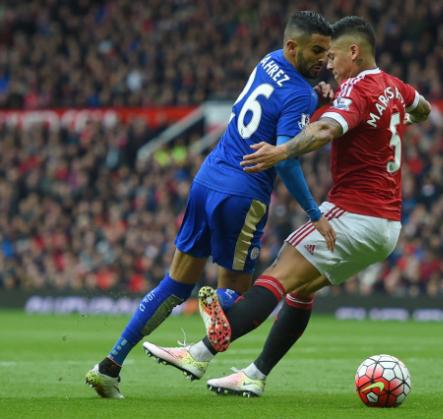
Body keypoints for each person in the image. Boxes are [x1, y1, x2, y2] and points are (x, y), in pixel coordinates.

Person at [143, 16, 431, 397]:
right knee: (300, 291)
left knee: (277, 275)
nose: (329, 64)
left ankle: (198, 353)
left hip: (355, 213)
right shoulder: (395, 86)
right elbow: (423, 108)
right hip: (387, 227)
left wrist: (282, 150)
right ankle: (255, 374)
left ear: (354, 52)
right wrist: (398, 119)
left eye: (335, 56)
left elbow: (325, 130)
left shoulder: (357, 90)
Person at [85, 11, 336, 399]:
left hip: (206, 178)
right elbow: (286, 157)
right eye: (317, 50)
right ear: (293, 46)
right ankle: (210, 315)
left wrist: (313, 100)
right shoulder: (301, 92)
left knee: (174, 283)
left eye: (327, 52)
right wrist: (314, 213)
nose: (323, 60)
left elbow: (275, 110)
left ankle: (109, 365)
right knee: (239, 293)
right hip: (243, 194)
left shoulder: (269, 60)